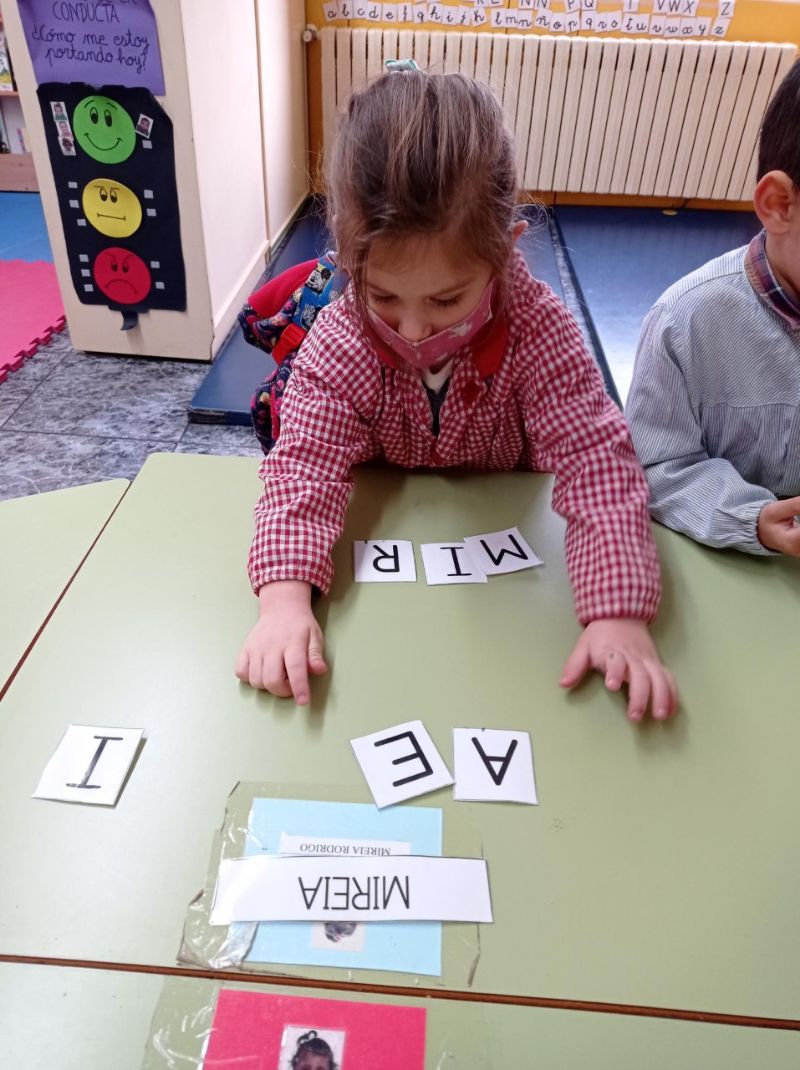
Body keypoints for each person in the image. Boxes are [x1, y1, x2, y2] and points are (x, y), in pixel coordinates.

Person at [236, 68, 677, 723]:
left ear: (502, 252)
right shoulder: (344, 335)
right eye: (383, 296)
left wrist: (617, 614)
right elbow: (304, 466)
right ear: (348, 257)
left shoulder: (538, 327)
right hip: (386, 538)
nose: (413, 329)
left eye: (446, 300)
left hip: (502, 540)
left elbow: (596, 462)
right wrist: (282, 602)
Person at [626, 59, 800, 557]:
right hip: (728, 557)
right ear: (779, 204)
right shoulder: (685, 323)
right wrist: (752, 519)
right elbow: (659, 467)